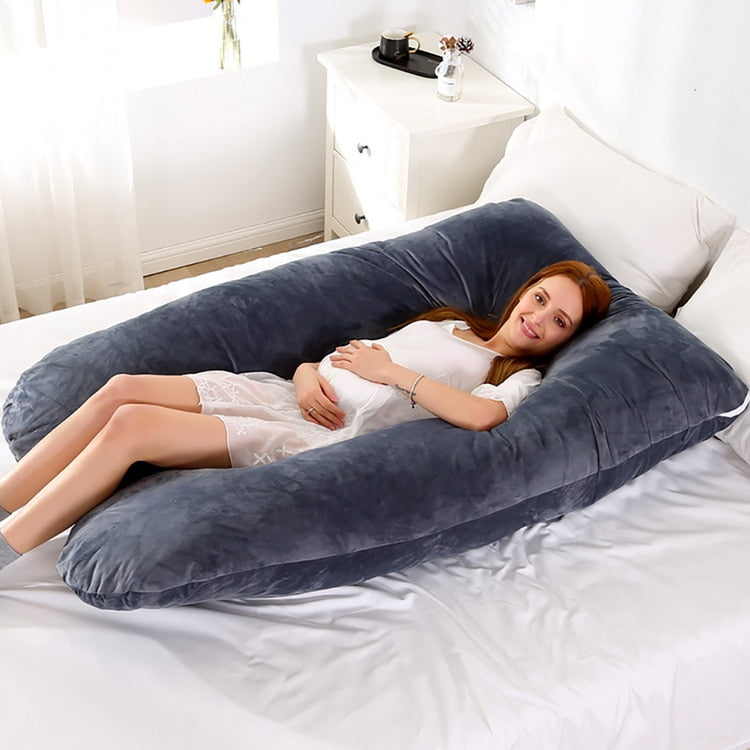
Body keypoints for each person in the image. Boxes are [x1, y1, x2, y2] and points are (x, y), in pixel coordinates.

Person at [0, 260, 610, 571]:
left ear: (565, 338)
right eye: (539, 298)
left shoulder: (516, 376)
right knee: (121, 390)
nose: (538, 318)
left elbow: (480, 418)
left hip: (312, 436)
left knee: (133, 426)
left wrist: (393, 374)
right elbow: (341, 358)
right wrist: (305, 373)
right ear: (523, 291)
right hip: (287, 394)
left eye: (559, 320)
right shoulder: (450, 322)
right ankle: (5, 502)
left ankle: (7, 546)